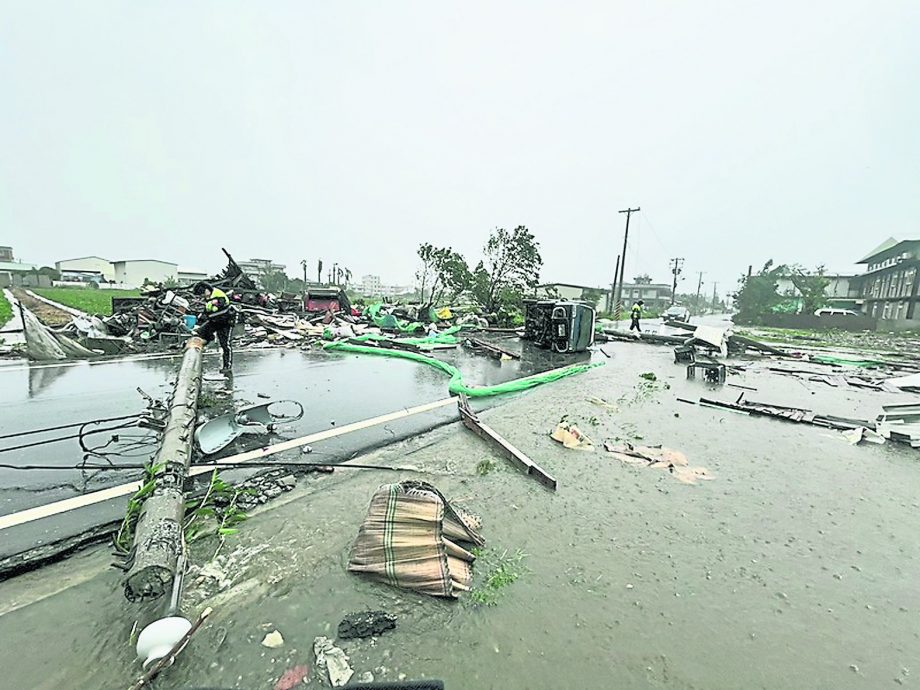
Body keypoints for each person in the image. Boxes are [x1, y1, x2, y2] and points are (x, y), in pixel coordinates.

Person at [192, 282, 236, 372]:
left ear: (206, 290)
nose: (203, 297)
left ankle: (227, 365)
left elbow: (221, 305)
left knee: (225, 344)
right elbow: (207, 310)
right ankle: (205, 341)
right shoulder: (209, 298)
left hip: (225, 322)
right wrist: (200, 317)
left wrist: (215, 304)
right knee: (200, 332)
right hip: (215, 320)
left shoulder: (218, 295)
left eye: (202, 294)